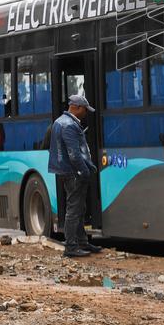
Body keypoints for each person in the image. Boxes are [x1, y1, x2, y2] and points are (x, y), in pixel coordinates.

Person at [47, 94, 101, 257]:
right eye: (85, 110)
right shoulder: (70, 125)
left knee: (79, 208)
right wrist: (84, 171)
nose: (86, 113)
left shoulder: (59, 122)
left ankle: (82, 242)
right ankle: (71, 246)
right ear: (77, 108)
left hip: (65, 171)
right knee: (74, 209)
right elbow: (74, 154)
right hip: (73, 172)